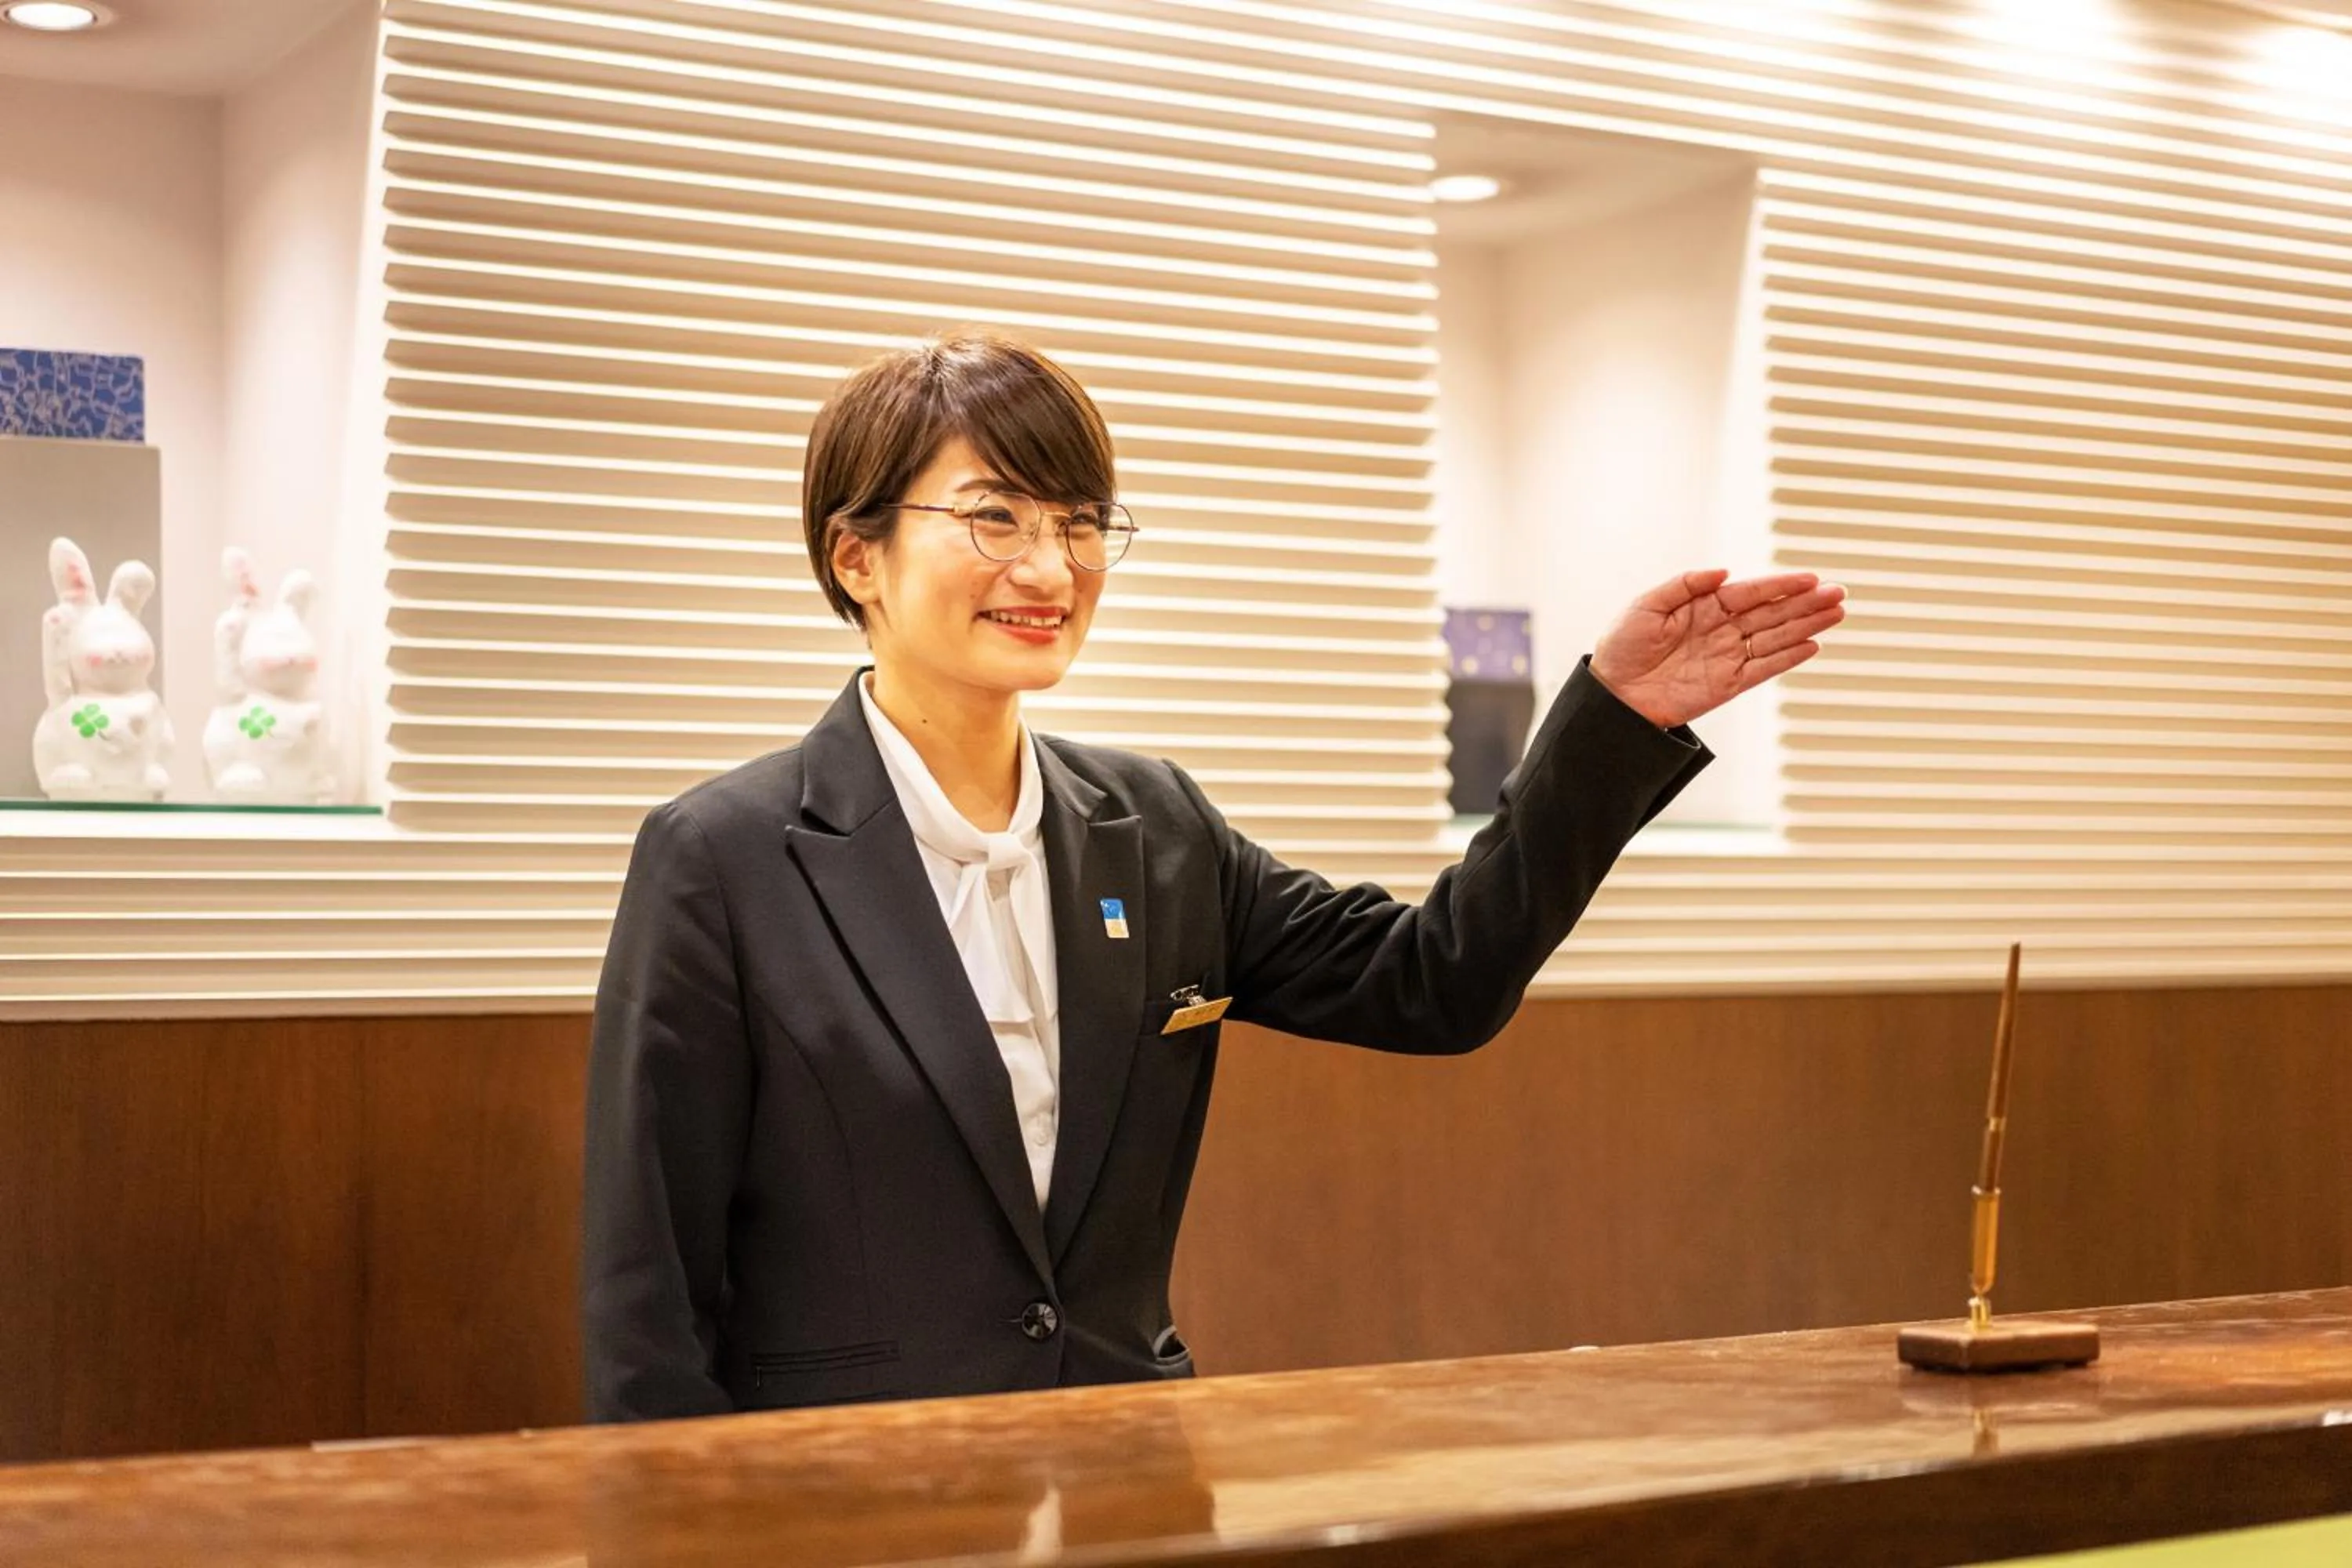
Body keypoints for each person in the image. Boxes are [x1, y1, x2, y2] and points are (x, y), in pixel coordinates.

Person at [580, 330, 1846, 1421]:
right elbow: (651, 1297)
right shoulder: (722, 859)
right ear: (856, 558)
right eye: (994, 517)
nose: (1050, 568)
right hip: (847, 1509)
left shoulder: (1157, 823)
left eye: (1079, 524)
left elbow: (1436, 985)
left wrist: (1612, 724)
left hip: (1130, 1485)